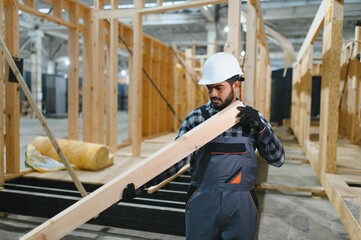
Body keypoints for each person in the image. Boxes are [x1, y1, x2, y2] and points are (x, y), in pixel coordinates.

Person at [123, 52, 285, 240]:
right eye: (209, 89)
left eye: (219, 88)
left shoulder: (254, 120)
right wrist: (143, 182)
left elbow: (278, 159)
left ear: (236, 85)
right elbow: (174, 160)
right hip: (203, 202)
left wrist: (261, 129)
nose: (213, 94)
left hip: (241, 205)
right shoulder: (197, 118)